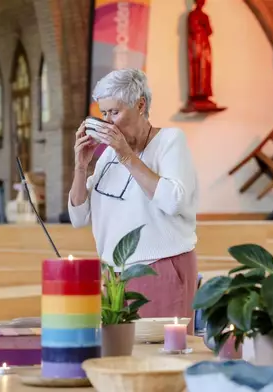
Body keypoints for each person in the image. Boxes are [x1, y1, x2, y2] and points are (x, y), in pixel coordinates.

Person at [68, 69, 199, 333]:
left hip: (159, 267)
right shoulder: (107, 156)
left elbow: (174, 201)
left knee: (159, 356)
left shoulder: (170, 141)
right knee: (119, 355)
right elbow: (78, 218)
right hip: (113, 275)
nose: (108, 123)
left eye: (115, 112)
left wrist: (127, 156)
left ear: (140, 105)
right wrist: (81, 167)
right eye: (103, 114)